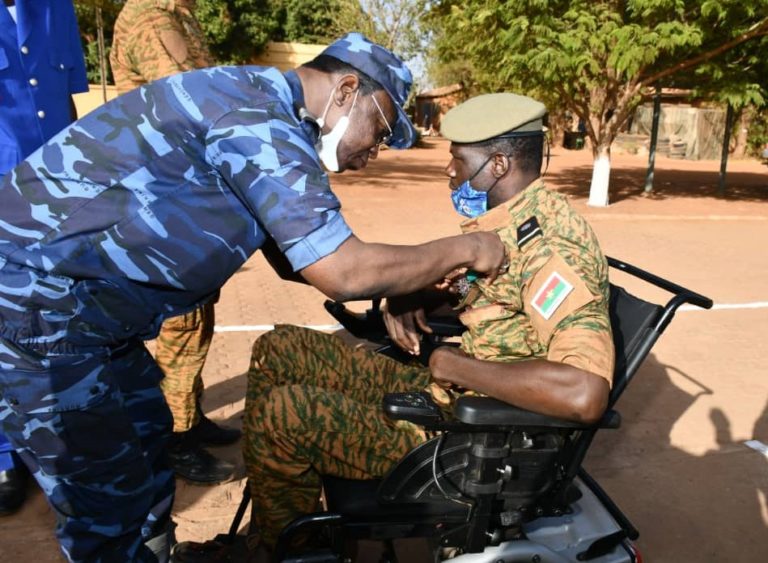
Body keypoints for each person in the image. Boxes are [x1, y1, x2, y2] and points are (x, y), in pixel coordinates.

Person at [0, 32, 505, 562]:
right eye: (378, 129)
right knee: (105, 499)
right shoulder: (257, 118)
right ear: (346, 90)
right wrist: (464, 248)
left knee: (146, 442)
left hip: (84, 316)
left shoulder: (260, 108)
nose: (370, 154)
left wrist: (407, 287)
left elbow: (297, 258)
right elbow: (341, 271)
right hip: (37, 312)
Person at [238, 93, 615, 557]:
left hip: (471, 440)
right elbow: (487, 295)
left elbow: (584, 393)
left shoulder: (552, 249)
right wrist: (414, 296)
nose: (450, 171)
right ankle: (279, 530)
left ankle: (290, 550)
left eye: (458, 159)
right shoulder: (511, 222)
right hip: (450, 402)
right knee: (281, 347)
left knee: (285, 414)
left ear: (497, 164)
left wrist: (455, 367)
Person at [111, 0, 240, 485]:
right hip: (165, 189)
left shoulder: (177, 13)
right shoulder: (152, 17)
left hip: (183, 186)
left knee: (198, 309)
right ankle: (174, 438)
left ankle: (191, 416)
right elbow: (193, 102)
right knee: (180, 320)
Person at [0, 0, 88, 515]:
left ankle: (56, 436)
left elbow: (64, 103)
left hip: (54, 192)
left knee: (56, 315)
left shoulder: (57, 7)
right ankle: (5, 456)